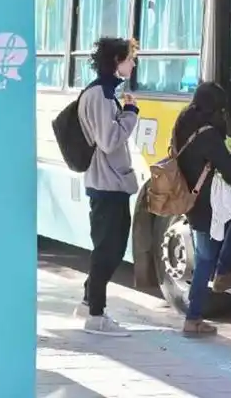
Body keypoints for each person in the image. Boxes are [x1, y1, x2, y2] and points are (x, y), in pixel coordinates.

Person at [173, 82, 231, 335]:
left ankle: (197, 312)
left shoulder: (184, 123)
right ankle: (196, 313)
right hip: (209, 207)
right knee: (210, 254)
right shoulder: (208, 135)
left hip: (194, 203)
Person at [73, 37, 139, 337]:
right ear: (116, 61)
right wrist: (130, 115)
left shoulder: (105, 91)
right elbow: (108, 140)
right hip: (106, 183)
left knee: (110, 247)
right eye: (130, 58)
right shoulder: (100, 94)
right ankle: (96, 316)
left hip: (109, 181)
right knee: (108, 250)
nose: (133, 64)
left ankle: (89, 302)